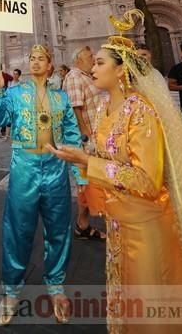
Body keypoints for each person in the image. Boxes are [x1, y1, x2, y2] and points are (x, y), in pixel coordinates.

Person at [46, 10, 182, 333]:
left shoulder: (141, 111)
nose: (92, 68)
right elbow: (106, 155)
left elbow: (147, 180)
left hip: (146, 226)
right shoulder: (107, 108)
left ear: (121, 71)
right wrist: (80, 157)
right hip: (120, 225)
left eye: (100, 63)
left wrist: (87, 163)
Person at [0, 44, 85, 326]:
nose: (34, 62)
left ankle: (56, 286)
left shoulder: (61, 97)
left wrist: (80, 177)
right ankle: (11, 290)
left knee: (58, 229)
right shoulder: (16, 93)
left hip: (55, 169)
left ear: (50, 64)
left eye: (40, 58)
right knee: (18, 229)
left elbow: (72, 136)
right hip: (25, 167)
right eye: (31, 58)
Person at [63, 46, 105, 241]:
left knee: (89, 182)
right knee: (86, 183)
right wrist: (85, 134)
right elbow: (74, 108)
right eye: (90, 56)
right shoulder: (74, 77)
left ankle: (84, 224)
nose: (93, 58)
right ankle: (83, 224)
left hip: (95, 138)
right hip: (85, 141)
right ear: (79, 59)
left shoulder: (86, 75)